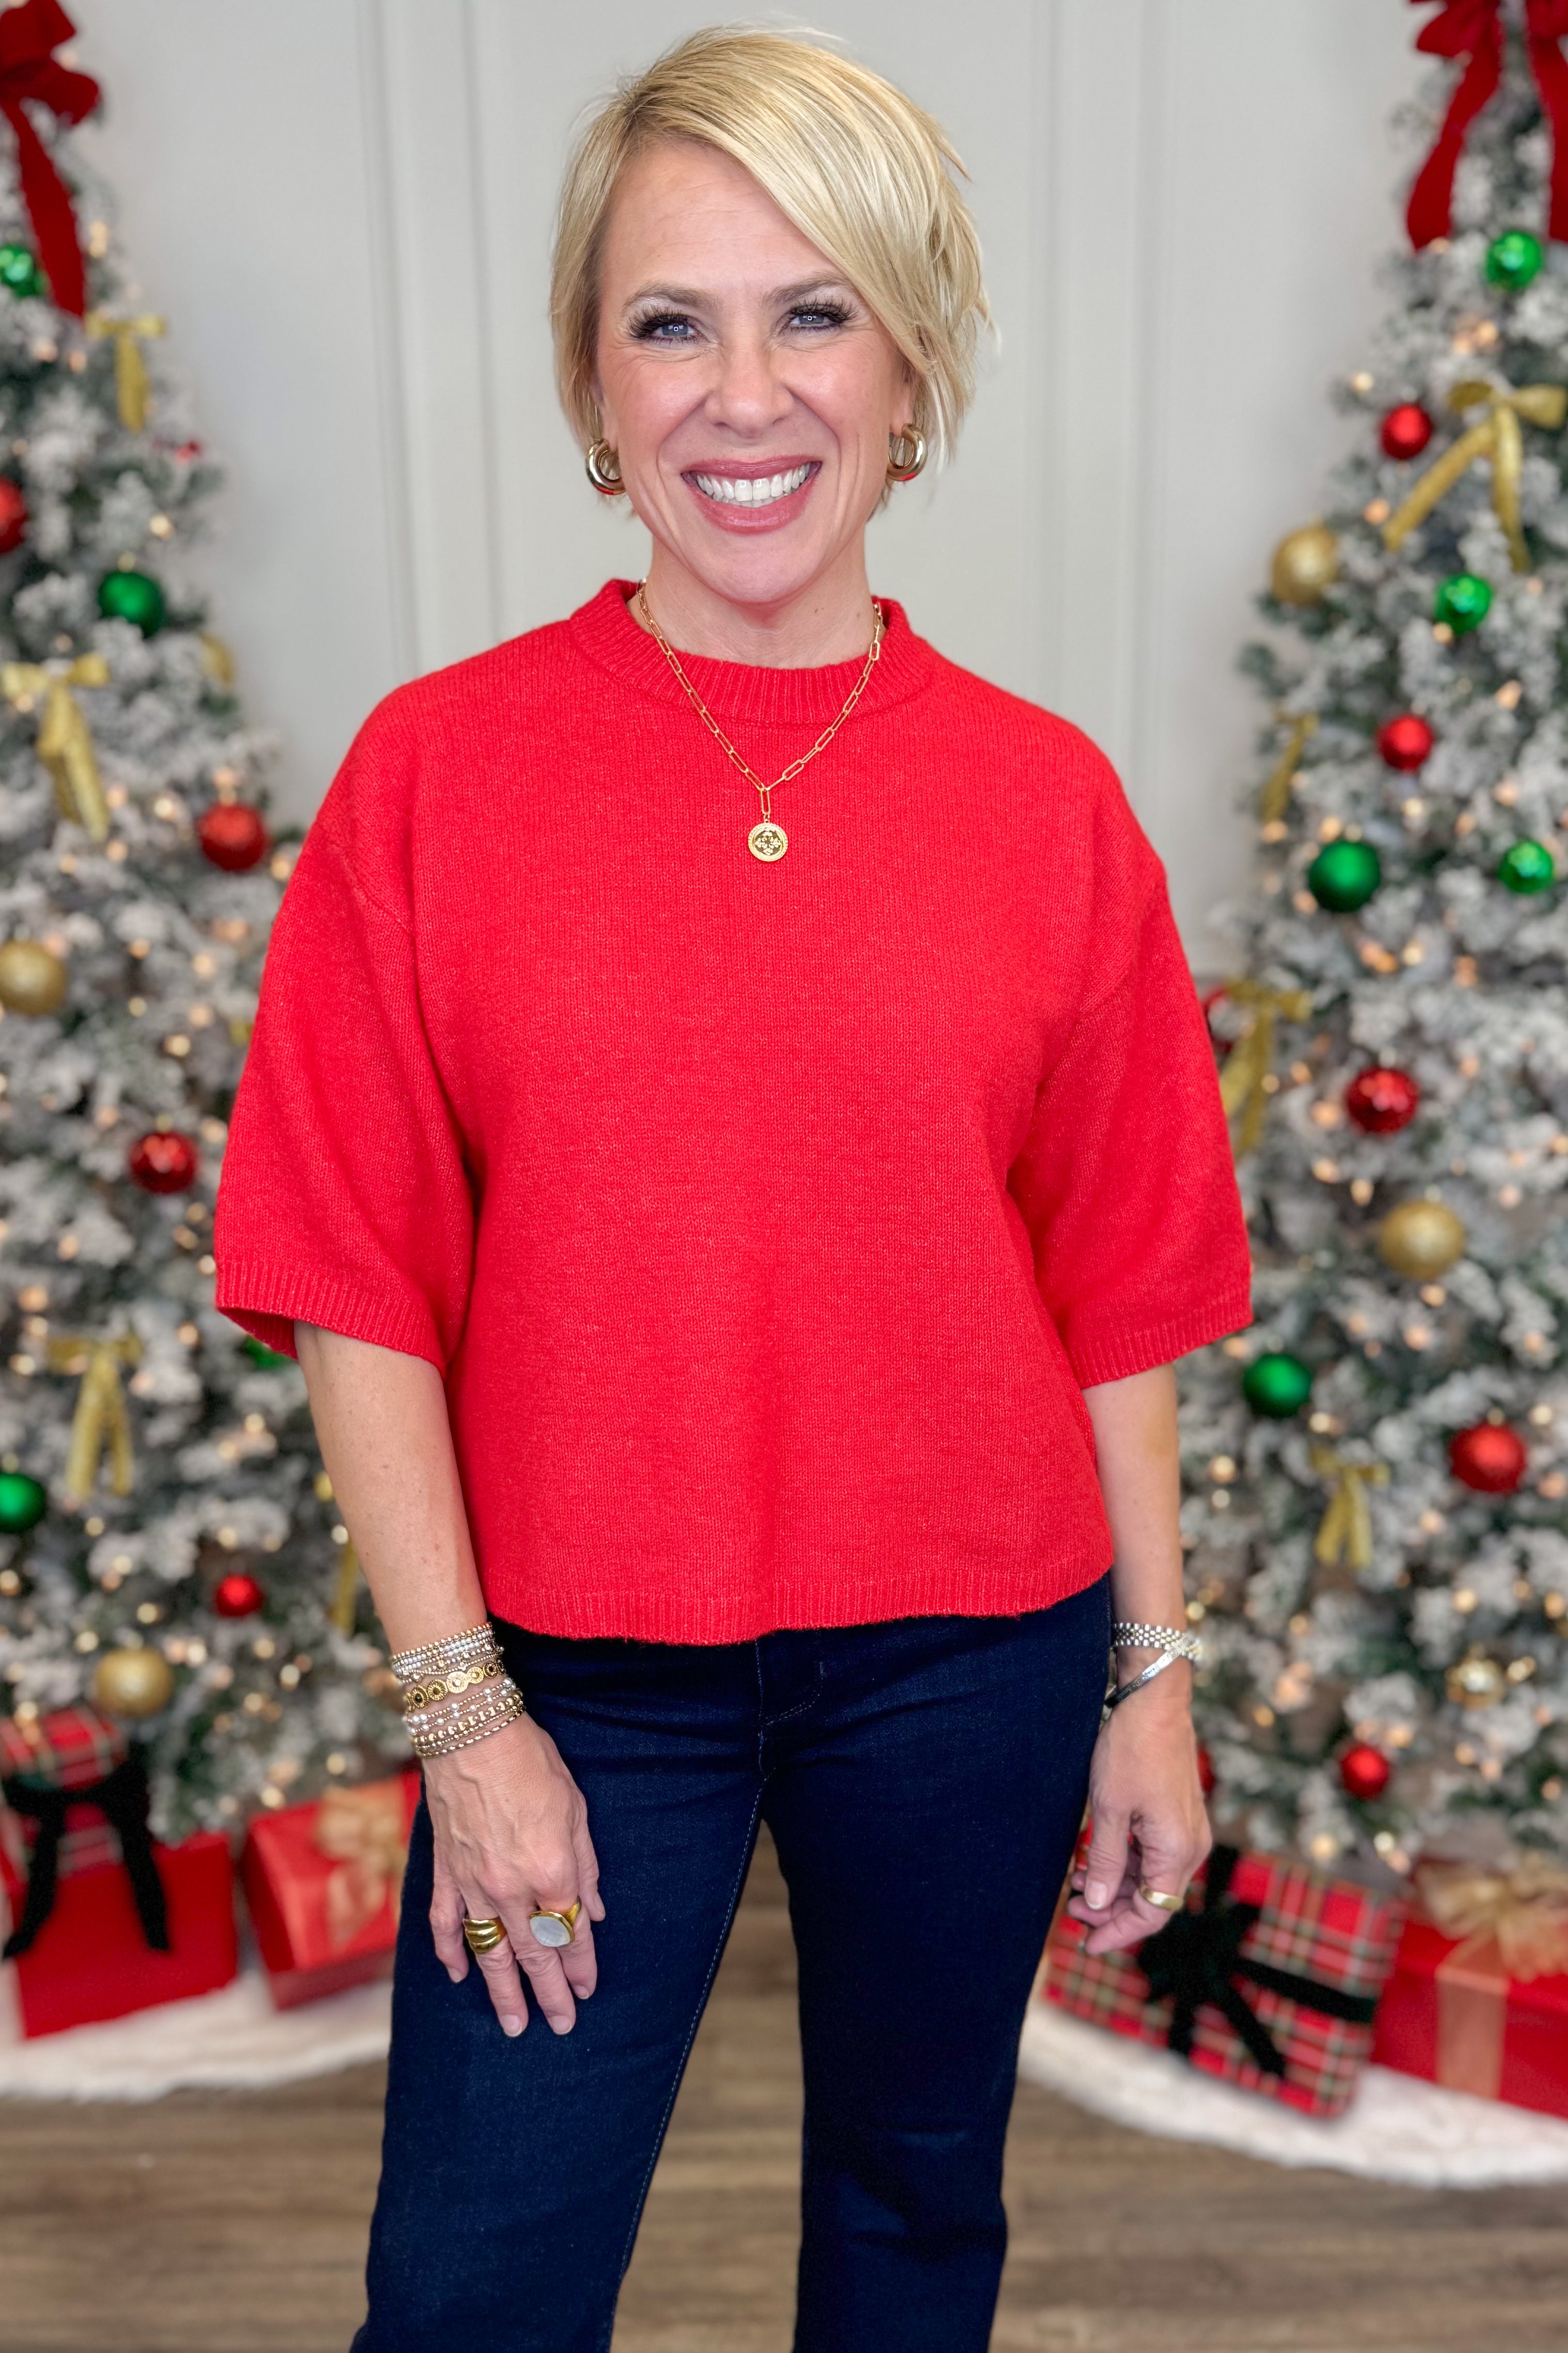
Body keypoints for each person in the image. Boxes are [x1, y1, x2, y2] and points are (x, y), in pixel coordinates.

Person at [214, 26, 1250, 2351]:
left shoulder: (1043, 801)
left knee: (912, 2221)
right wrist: (462, 1716)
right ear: (593, 377)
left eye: (813, 311)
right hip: (569, 1677)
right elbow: (351, 1277)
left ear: (910, 357)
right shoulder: (436, 779)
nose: (740, 392)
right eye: (668, 320)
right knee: (475, 2283)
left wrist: (1150, 1676)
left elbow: (1118, 1276)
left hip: (972, 1654)